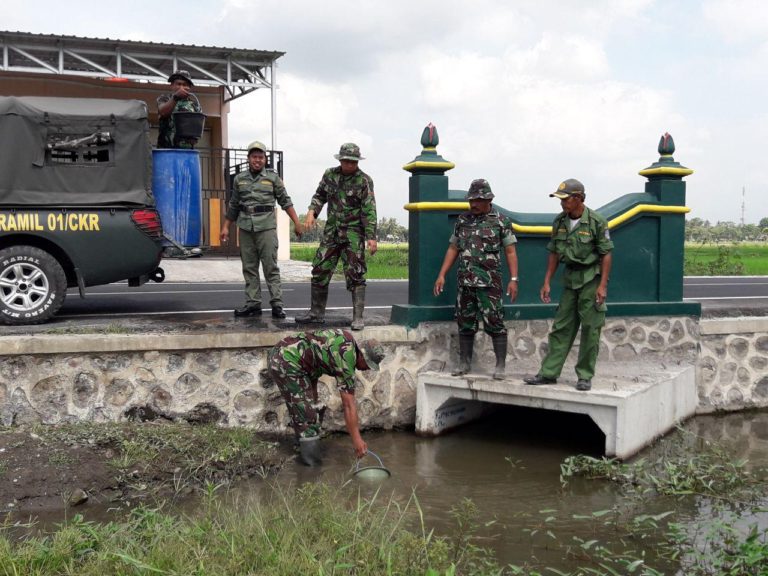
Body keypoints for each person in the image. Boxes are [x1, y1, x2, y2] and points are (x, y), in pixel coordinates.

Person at [523, 178, 614, 391]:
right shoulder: (559, 222)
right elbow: (554, 252)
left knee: (591, 329)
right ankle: (549, 373)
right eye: (560, 199)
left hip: (591, 279)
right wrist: (547, 281)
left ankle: (584, 376)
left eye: (566, 199)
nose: (562, 203)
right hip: (570, 279)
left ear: (579, 198)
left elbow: (606, 254)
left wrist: (603, 286)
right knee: (561, 327)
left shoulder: (596, 222)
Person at [433, 179, 519, 380]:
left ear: (489, 199)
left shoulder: (501, 221)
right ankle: (464, 363)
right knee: (465, 323)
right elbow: (453, 248)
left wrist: (514, 279)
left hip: (489, 284)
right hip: (465, 283)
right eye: (471, 200)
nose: (473, 204)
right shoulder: (463, 221)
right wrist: (442, 274)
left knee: (495, 323)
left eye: (478, 200)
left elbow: (510, 251)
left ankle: (500, 366)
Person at [266, 329, 386, 466]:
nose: (367, 369)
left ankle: (301, 446)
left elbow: (314, 356)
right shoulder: (346, 359)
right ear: (362, 356)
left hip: (288, 357)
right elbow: (348, 405)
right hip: (286, 362)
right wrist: (357, 440)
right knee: (307, 417)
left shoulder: (347, 339)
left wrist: (310, 404)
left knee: (309, 410)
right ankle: (311, 470)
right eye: (368, 365)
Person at [296, 143, 377, 330]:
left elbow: (369, 210)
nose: (349, 164)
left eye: (352, 162)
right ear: (340, 159)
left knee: (356, 273)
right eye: (346, 161)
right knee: (319, 268)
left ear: (357, 162)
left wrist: (371, 237)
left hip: (353, 234)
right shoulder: (330, 175)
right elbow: (319, 196)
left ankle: (358, 317)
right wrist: (311, 212)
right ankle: (316, 313)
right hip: (332, 232)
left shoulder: (364, 180)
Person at [220, 140, 303, 318]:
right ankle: (253, 304)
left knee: (270, 267)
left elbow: (285, 201)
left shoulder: (273, 179)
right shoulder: (239, 179)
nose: (257, 160)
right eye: (254, 157)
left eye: (260, 157)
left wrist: (297, 223)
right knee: (249, 267)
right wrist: (226, 226)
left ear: (265, 160)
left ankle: (277, 305)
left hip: (266, 228)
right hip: (245, 228)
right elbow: (234, 204)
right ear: (249, 158)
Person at [156, 70, 202, 149]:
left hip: (186, 152)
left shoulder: (195, 105)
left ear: (189, 88)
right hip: (166, 151)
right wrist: (176, 97)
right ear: (172, 85)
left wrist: (194, 138)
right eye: (178, 84)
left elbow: (198, 127)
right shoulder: (164, 99)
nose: (181, 87)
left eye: (185, 85)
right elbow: (163, 112)